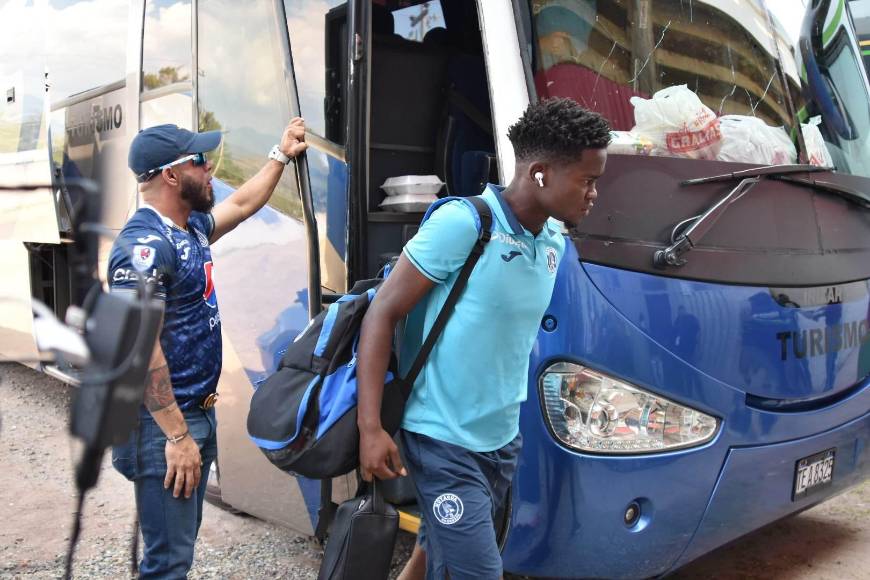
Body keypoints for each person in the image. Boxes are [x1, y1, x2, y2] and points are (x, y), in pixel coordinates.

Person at [356, 98, 611, 579]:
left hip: (501, 439)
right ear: (540, 174)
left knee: (434, 549)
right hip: (440, 437)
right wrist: (371, 428)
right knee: (478, 571)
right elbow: (382, 313)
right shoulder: (465, 224)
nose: (594, 193)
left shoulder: (553, 241)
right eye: (587, 180)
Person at [108, 119, 307, 578]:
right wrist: (178, 438)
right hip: (162, 425)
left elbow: (241, 204)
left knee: (178, 549)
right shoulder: (144, 246)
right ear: (171, 175)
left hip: (193, 415)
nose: (210, 166)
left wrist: (280, 155)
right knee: (168, 562)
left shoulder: (189, 227)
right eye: (199, 160)